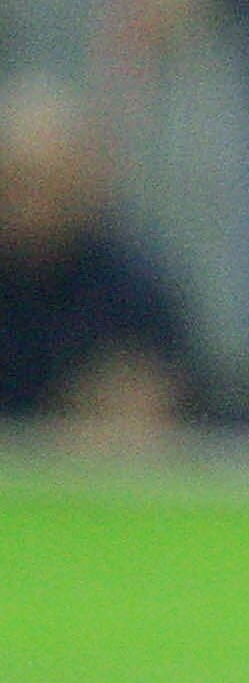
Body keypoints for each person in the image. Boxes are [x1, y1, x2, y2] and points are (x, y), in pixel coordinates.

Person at [0, 72, 191, 437]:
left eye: (53, 184)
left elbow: (151, 422)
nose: (34, 207)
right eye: (18, 183)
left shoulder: (136, 294)